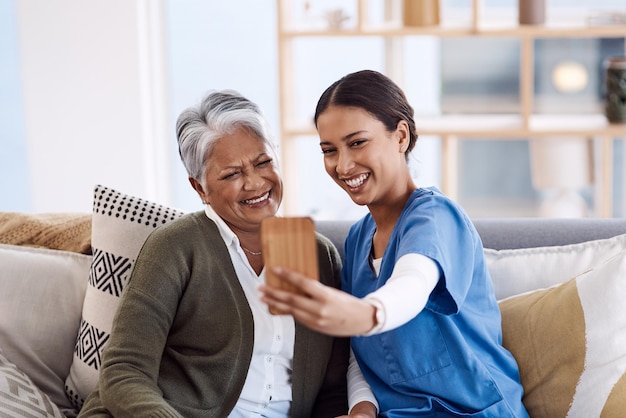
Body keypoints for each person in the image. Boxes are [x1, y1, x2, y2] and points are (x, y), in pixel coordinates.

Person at [77, 89, 369, 417]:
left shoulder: (319, 256)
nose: (256, 182)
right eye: (232, 174)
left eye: (264, 163)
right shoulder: (174, 248)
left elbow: (330, 389)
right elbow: (124, 371)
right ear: (199, 188)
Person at [260, 70, 530, 417]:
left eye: (357, 142)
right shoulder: (358, 240)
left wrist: (364, 313)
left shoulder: (435, 217)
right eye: (329, 150)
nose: (342, 165)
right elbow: (363, 354)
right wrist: (361, 409)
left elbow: (412, 284)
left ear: (400, 136)